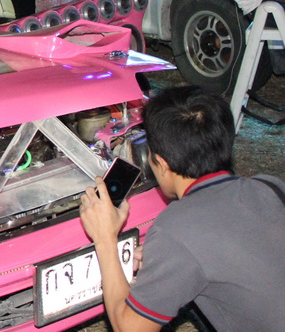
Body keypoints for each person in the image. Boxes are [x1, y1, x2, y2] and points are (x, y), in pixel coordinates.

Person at [79, 86, 285, 331]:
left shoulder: (175, 228)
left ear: (161, 164)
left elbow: (130, 328)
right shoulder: (270, 187)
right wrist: (167, 257)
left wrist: (105, 240)